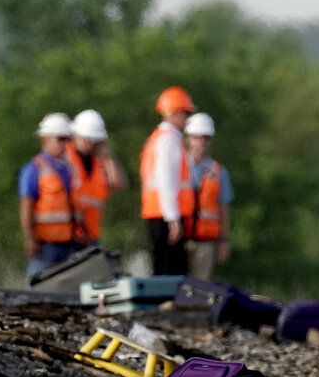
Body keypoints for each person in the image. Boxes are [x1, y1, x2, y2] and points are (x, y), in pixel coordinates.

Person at [139, 86, 196, 275]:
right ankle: (167, 304)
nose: (186, 119)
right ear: (174, 112)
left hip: (158, 212)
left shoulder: (158, 138)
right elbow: (167, 181)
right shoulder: (168, 140)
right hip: (166, 214)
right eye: (185, 113)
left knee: (163, 266)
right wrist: (173, 218)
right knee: (171, 268)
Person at [18, 113, 81, 281]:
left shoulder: (70, 169)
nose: (66, 144)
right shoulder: (34, 169)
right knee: (38, 285)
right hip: (45, 246)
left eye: (68, 139)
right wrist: (30, 239)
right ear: (45, 139)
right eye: (60, 139)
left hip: (70, 243)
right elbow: (26, 206)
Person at [66, 109, 128, 247]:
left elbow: (118, 184)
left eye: (94, 140)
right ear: (74, 134)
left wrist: (108, 156)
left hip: (91, 235)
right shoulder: (65, 157)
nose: (89, 143)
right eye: (86, 138)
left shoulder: (99, 162)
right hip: (68, 236)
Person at [183, 112, 234, 280]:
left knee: (199, 287)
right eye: (198, 137)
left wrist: (223, 241)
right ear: (189, 137)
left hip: (205, 243)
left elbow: (223, 209)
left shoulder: (219, 172)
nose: (202, 141)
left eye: (206, 137)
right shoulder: (179, 166)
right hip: (180, 238)